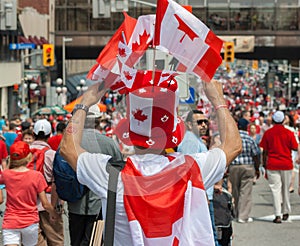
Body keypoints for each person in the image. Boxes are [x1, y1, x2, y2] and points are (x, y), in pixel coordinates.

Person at [60, 78, 242, 245]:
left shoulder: (111, 175)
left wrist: (84, 104)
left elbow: (69, 148)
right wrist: (218, 100)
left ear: (130, 134)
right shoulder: (193, 169)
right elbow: (233, 145)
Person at [67, 104, 123, 246]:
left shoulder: (70, 144)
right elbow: (120, 172)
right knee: (95, 241)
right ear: (99, 120)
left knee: (76, 241)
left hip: (74, 202)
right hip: (100, 204)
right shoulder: (109, 144)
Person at [0, 141, 58, 246]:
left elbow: (3, 176)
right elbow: (45, 203)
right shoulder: (36, 176)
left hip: (10, 221)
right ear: (29, 157)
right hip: (30, 222)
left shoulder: (6, 175)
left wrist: (8, 164)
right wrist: (53, 213)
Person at [177, 110, 219, 246]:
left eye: (205, 122)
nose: (203, 125)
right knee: (208, 236)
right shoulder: (190, 141)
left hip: (202, 193)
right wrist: (202, 194)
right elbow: (189, 170)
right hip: (200, 196)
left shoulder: (195, 140)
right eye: (199, 122)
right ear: (189, 124)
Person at [260, 111, 300, 224]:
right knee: (285, 189)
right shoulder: (289, 132)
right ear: (283, 120)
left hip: (272, 163)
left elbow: (265, 151)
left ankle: (277, 214)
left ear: (272, 120)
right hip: (286, 163)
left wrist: (264, 164)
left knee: (275, 189)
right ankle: (286, 211)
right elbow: (295, 147)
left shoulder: (268, 133)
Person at [31, 119, 65, 245]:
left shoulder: (25, 152)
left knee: (34, 241)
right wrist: (56, 206)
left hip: (28, 203)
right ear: (50, 134)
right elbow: (56, 183)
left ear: (33, 134)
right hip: (49, 200)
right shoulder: (52, 154)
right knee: (56, 239)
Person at [229, 118, 260, 223]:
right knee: (245, 191)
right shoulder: (249, 138)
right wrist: (257, 168)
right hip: (247, 166)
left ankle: (236, 213)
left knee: (235, 191)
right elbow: (255, 154)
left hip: (234, 166)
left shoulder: (232, 138)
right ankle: (243, 216)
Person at [283, 113, 299, 193]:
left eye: (286, 118)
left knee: (292, 168)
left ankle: (291, 185)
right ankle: (290, 185)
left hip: (292, 149)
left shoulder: (290, 128)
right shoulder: (291, 128)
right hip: (289, 149)